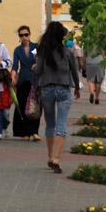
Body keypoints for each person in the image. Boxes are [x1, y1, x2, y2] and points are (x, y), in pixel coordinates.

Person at [33, 21, 80, 173]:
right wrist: (77, 87)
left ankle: (49, 155)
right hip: (63, 89)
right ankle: (57, 159)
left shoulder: (43, 51)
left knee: (50, 125)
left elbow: (38, 71)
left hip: (46, 89)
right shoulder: (67, 52)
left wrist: (36, 66)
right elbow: (74, 71)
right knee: (61, 125)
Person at [11, 25, 41, 141]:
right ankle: (24, 133)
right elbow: (15, 66)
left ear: (29, 35)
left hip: (34, 79)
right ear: (19, 37)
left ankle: (34, 132)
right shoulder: (18, 50)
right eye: (21, 35)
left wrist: (36, 65)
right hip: (23, 79)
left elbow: (41, 60)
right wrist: (13, 77)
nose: (24, 37)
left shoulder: (35, 47)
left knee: (35, 106)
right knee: (23, 105)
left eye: (26, 35)